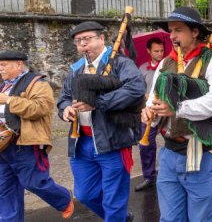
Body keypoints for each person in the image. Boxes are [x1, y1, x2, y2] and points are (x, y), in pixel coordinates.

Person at [141, 6, 212, 222]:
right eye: (170, 31)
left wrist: (178, 108)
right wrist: (149, 113)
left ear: (195, 32)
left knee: (203, 219)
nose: (172, 36)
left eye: (178, 30)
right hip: (169, 153)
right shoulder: (166, 63)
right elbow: (154, 96)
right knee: (170, 219)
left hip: (198, 153)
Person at [58, 21, 145, 222]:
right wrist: (65, 110)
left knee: (113, 199)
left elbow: (135, 89)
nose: (83, 45)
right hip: (81, 142)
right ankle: (121, 218)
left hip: (113, 140)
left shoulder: (120, 64)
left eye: (87, 39)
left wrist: (98, 103)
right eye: (79, 41)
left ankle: (117, 216)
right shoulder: (77, 70)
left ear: (102, 38)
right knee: (84, 194)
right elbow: (63, 98)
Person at [0, 50, 74, 220]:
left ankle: (63, 199)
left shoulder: (37, 83)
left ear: (19, 65)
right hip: (4, 144)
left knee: (34, 182)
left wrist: (10, 100)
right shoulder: (3, 86)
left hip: (25, 142)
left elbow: (41, 108)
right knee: (4, 188)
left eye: (3, 65)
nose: (0, 69)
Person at [135, 37, 165, 192]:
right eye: (156, 51)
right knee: (145, 145)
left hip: (167, 111)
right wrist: (144, 95)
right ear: (148, 51)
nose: (160, 54)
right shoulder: (142, 68)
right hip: (150, 111)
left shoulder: (168, 65)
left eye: (162, 50)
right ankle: (149, 176)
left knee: (177, 141)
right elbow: (137, 88)